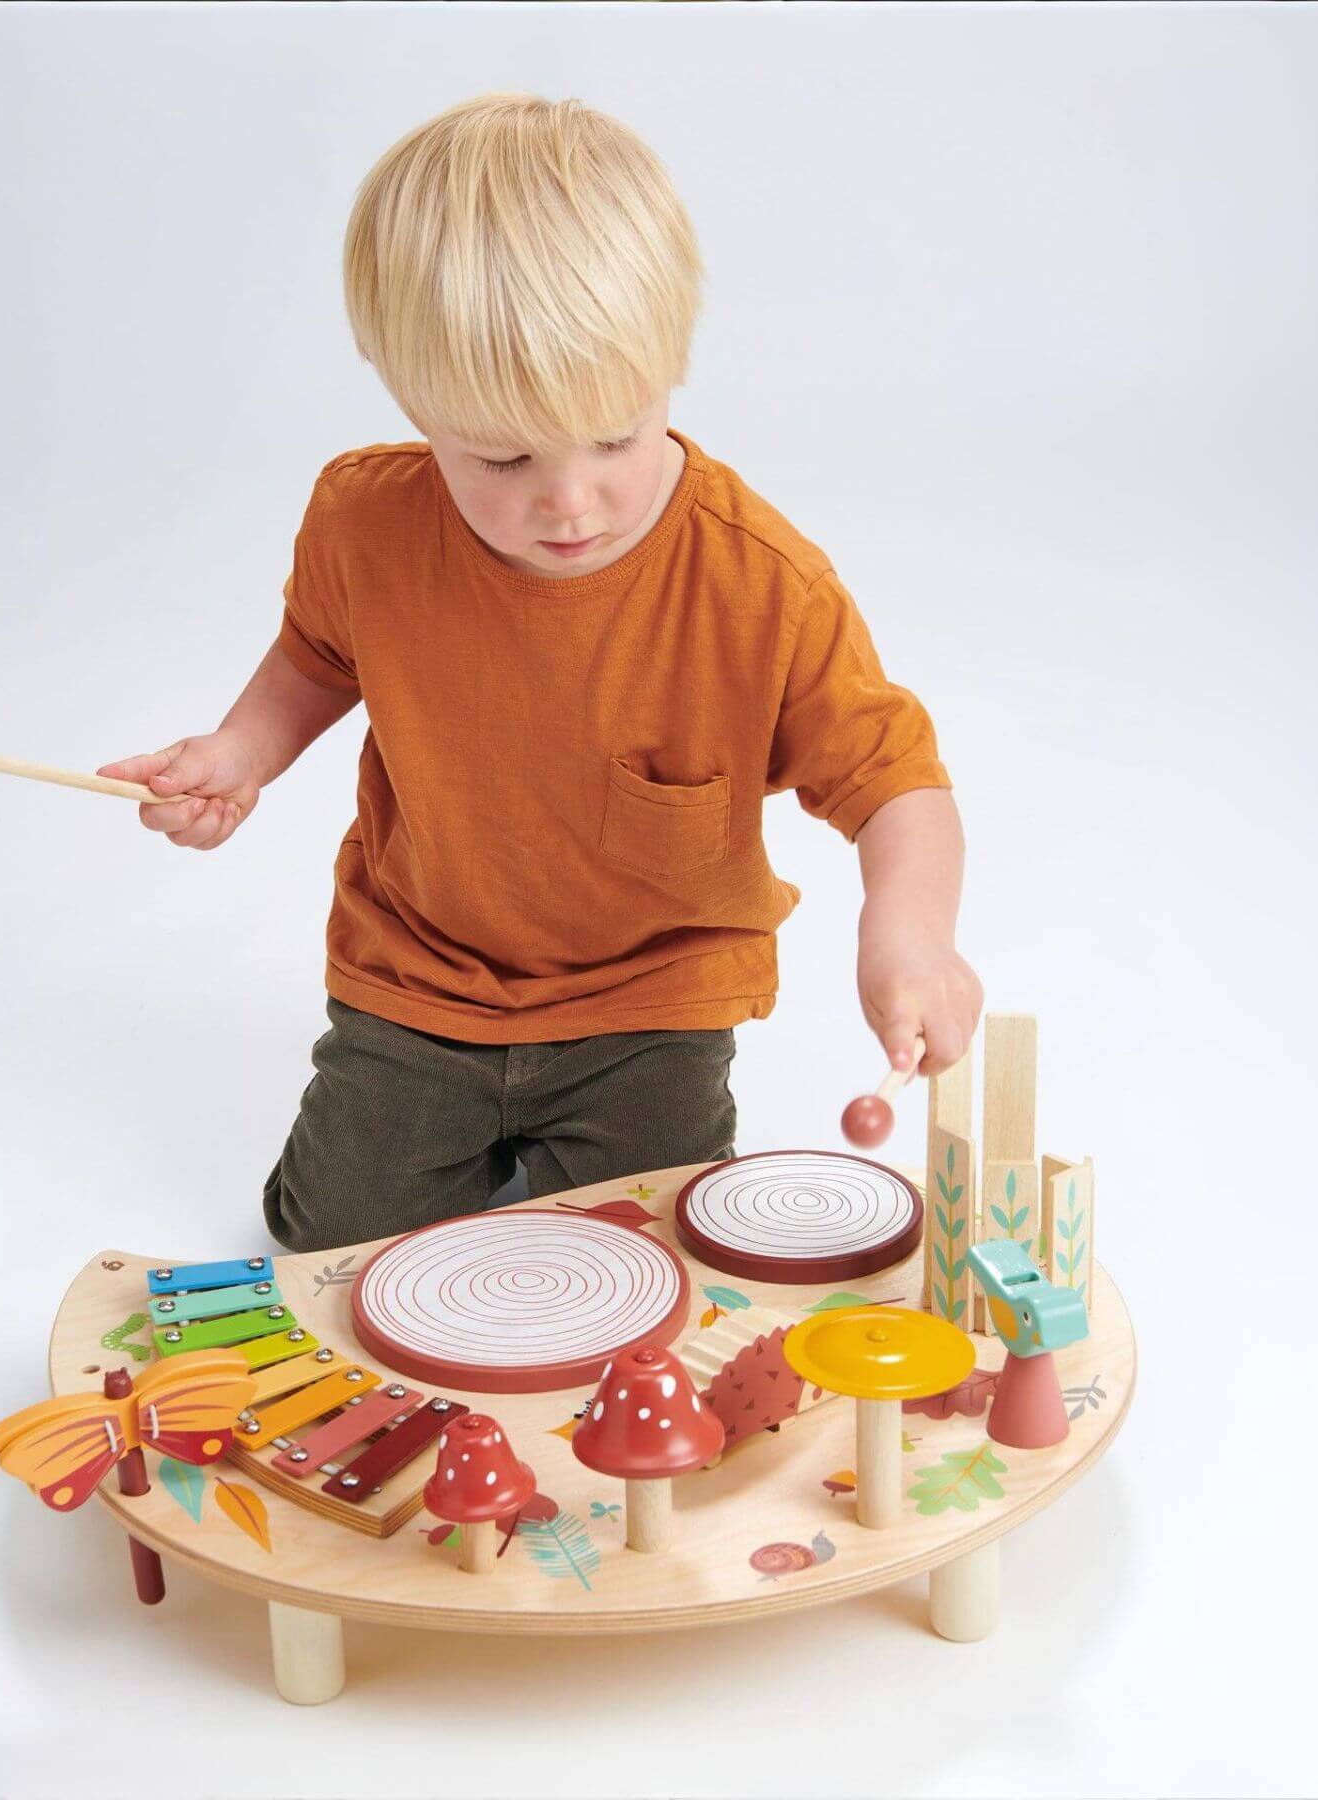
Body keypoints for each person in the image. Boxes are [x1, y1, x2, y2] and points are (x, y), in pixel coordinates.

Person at [100, 93, 982, 1252]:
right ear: (411, 400)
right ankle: (470, 1146)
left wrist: (910, 934)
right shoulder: (363, 523)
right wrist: (240, 752)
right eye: (502, 456)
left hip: (647, 1013)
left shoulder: (762, 584)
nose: (569, 502)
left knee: (656, 1259)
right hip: (420, 984)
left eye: (614, 437)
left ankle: (553, 1158)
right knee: (331, 1245)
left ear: (674, 361)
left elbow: (896, 782)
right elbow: (317, 654)